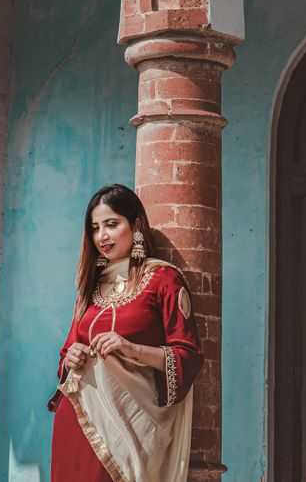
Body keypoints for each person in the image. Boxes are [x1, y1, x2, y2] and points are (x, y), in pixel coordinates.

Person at [49, 184, 203, 482]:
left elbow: (189, 356)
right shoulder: (89, 289)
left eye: (111, 224)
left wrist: (131, 349)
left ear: (136, 226)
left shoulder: (163, 279)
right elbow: (66, 355)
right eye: (95, 228)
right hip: (78, 416)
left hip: (131, 424)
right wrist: (72, 358)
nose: (101, 236)